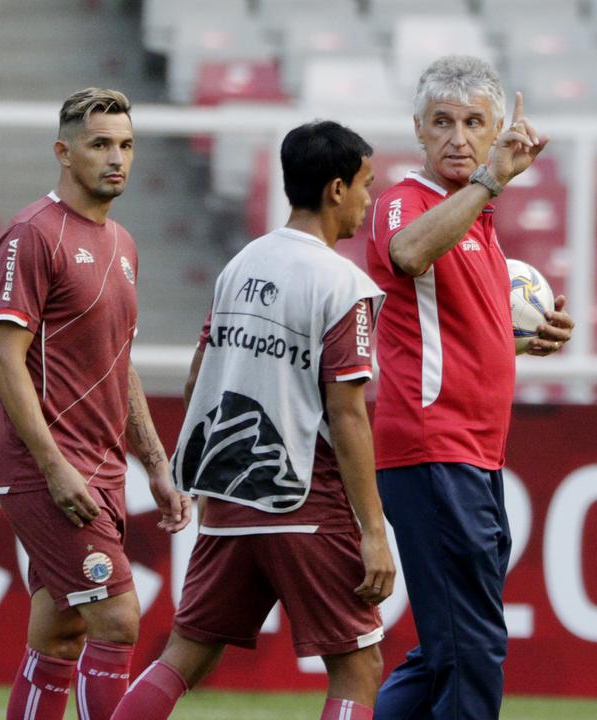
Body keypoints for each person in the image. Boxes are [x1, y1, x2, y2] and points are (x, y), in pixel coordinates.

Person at [110, 120, 395, 720]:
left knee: (186, 655)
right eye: (367, 185)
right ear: (337, 188)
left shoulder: (240, 265)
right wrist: (373, 530)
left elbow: (197, 378)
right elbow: (346, 416)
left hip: (230, 496)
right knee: (358, 668)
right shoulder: (346, 286)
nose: (370, 201)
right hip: (305, 501)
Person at [367, 55, 574, 720]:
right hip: (434, 448)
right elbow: (407, 254)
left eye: (474, 123)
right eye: (443, 123)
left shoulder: (478, 222)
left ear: (495, 131)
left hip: (473, 455)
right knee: (474, 646)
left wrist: (527, 338)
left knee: (448, 649)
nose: (458, 137)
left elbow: (452, 326)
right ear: (418, 131)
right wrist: (490, 181)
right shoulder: (406, 200)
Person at [0, 88, 191, 720]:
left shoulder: (124, 244)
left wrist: (154, 462)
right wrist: (52, 465)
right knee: (118, 620)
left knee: (60, 634)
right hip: (49, 468)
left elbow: (118, 360)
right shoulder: (32, 234)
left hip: (103, 468)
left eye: (126, 145)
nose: (116, 158)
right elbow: (4, 359)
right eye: (101, 144)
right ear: (63, 151)